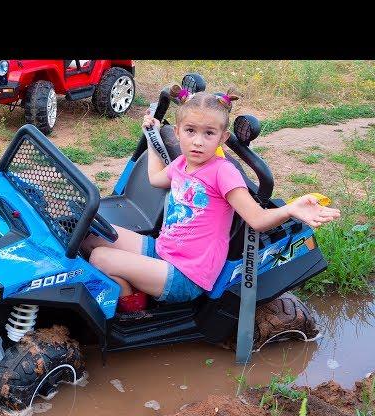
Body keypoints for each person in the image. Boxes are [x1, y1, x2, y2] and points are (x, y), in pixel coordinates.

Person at [82, 87, 341, 312]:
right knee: (88, 234)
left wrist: (291, 209)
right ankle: (131, 284)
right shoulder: (183, 163)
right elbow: (156, 178)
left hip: (186, 276)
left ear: (222, 137)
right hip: (164, 251)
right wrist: (153, 137)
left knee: (100, 258)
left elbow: (257, 219)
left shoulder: (222, 172)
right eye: (190, 131)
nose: (197, 142)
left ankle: (133, 309)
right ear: (178, 132)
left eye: (209, 133)